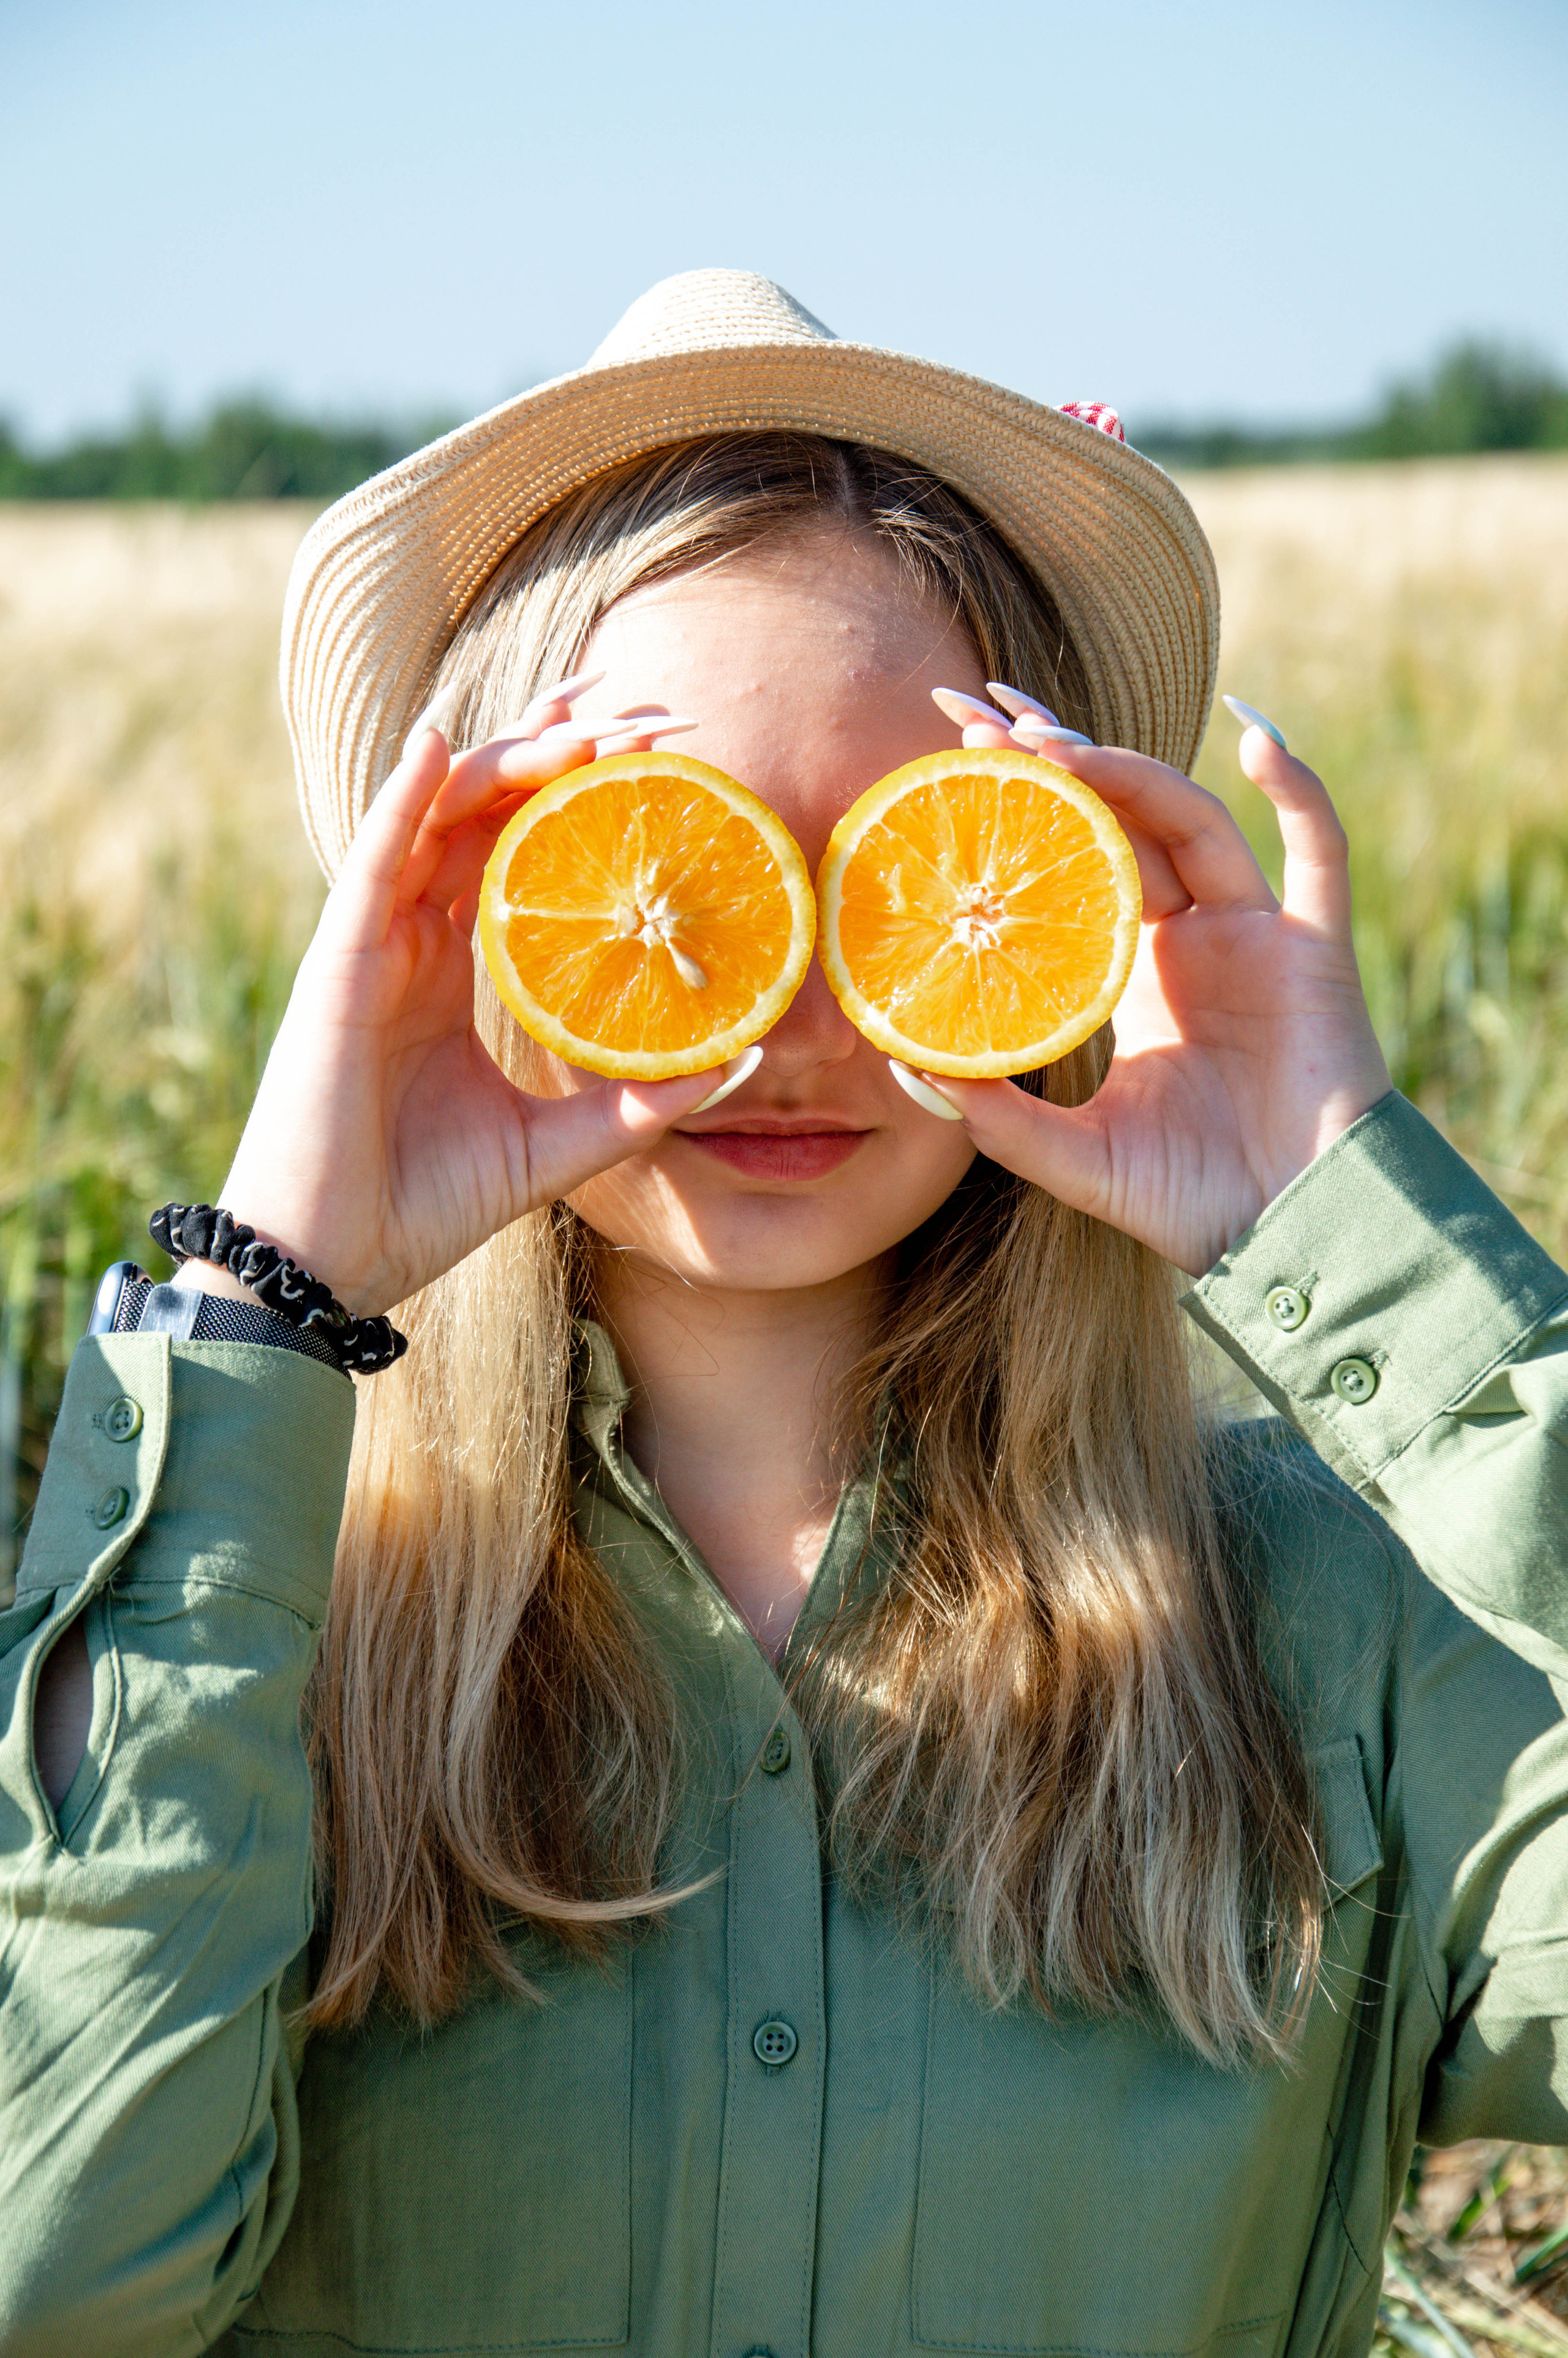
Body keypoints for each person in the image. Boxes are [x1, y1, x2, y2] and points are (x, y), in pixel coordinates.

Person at [5, 270, 1568, 2358]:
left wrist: (1348, 1209)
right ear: (470, 904)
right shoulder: (243, 1624)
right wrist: (262, 1302)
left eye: (905, 870)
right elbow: (48, 2273)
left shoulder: (1339, 1625)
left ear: (1051, 890)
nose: (791, 1006)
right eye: (669, 860)